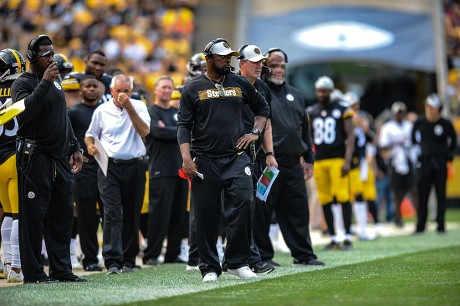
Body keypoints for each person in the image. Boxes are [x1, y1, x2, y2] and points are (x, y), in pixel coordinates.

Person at [177, 38, 270, 282]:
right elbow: (184, 126)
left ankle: (237, 262)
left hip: (236, 158)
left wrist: (255, 133)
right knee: (207, 215)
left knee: (244, 203)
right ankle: (209, 267)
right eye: (222, 57)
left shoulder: (240, 82)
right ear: (209, 59)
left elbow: (262, 108)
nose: (228, 60)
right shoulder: (192, 88)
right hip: (204, 160)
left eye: (230, 56)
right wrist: (186, 159)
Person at [11, 34, 85, 283]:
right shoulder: (22, 83)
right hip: (35, 157)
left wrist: (74, 145)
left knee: (62, 216)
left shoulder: (55, 81)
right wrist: (44, 82)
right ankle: (33, 273)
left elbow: (62, 115)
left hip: (59, 157)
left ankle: (62, 270)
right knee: (33, 217)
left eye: (52, 53)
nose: (52, 58)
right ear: (33, 58)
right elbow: (25, 113)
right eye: (46, 55)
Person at [259, 48, 324, 265]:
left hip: (293, 164)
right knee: (262, 210)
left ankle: (303, 254)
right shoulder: (258, 91)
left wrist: (308, 158)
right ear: (266, 66)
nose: (278, 70)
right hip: (267, 164)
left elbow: (304, 129)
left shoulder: (296, 94)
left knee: (298, 211)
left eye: (282, 66)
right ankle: (262, 256)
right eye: (274, 65)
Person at [85, 74, 150, 275]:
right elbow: (90, 134)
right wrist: (90, 147)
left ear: (131, 91)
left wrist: (129, 107)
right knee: (112, 212)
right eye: (118, 90)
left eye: (126, 91)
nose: (122, 94)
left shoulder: (139, 106)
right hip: (109, 166)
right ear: (111, 91)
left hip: (135, 166)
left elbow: (144, 131)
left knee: (132, 212)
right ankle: (112, 260)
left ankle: (129, 259)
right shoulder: (102, 110)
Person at [237, 44, 277, 273]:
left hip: (251, 155)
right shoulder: (230, 85)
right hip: (228, 153)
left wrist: (269, 153)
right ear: (241, 63)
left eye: (261, 61)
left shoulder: (262, 86)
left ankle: (249, 258)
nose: (260, 65)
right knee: (236, 207)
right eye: (254, 61)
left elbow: (266, 121)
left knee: (247, 206)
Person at [143, 75, 189, 265]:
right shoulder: (149, 112)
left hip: (180, 169)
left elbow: (187, 132)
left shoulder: (175, 111)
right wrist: (176, 131)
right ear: (155, 90)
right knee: (159, 214)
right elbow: (157, 131)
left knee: (178, 214)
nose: (167, 91)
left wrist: (171, 130)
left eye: (170, 88)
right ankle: (151, 254)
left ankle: (172, 254)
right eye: (163, 87)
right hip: (161, 169)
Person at [307, 76, 355, 250]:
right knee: (325, 198)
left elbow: (350, 136)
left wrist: (348, 160)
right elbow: (307, 137)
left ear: (331, 91)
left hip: (337, 159)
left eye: (324, 91)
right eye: (319, 91)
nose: (321, 94)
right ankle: (334, 236)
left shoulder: (342, 108)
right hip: (320, 160)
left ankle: (347, 236)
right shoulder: (311, 111)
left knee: (343, 196)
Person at [68, 75, 104, 271]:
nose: (91, 89)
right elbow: (67, 137)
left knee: (109, 214)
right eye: (87, 86)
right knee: (87, 215)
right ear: (80, 90)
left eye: (95, 86)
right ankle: (89, 259)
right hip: (85, 170)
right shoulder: (73, 112)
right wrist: (75, 157)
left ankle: (112, 255)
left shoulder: (105, 111)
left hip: (106, 168)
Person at [412, 94, 457, 233]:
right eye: (427, 106)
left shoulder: (446, 124)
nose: (428, 109)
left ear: (438, 109)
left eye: (431, 107)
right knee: (423, 195)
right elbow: (413, 139)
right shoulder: (419, 122)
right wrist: (418, 154)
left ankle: (441, 225)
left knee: (441, 195)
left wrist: (448, 156)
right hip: (425, 163)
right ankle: (421, 226)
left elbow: (454, 141)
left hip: (440, 163)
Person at [0, 48, 26, 283]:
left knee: (6, 213)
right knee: (18, 214)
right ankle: (16, 267)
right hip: (14, 156)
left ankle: (8, 262)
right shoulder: (23, 88)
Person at [378, 101, 417, 228]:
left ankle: (420, 217)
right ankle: (397, 217)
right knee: (397, 191)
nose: (400, 115)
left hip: (408, 159)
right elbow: (382, 145)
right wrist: (396, 143)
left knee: (413, 189)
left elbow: (416, 141)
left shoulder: (409, 126)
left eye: (402, 112)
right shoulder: (388, 127)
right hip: (395, 160)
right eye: (398, 113)